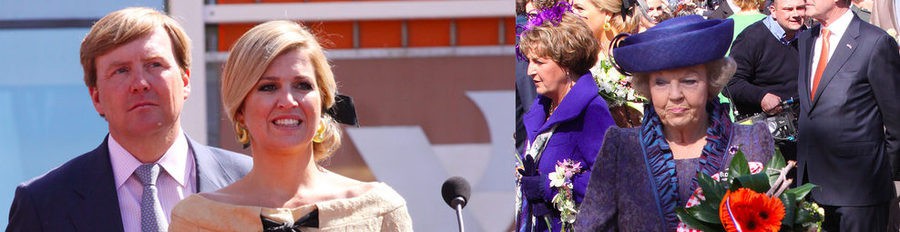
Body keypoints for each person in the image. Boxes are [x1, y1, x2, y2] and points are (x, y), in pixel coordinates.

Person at [5, 7, 252, 232]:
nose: (140, 84)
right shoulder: (43, 203)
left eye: (154, 65)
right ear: (96, 97)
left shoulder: (249, 183)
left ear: (185, 80)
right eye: (121, 71)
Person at [168, 20, 412, 231]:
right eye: (268, 87)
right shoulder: (196, 220)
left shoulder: (380, 209)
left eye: (302, 85)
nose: (288, 101)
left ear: (323, 101)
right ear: (240, 110)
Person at [575, 15, 775, 231]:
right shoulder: (621, 147)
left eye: (689, 81)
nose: (675, 95)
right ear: (647, 87)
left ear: (711, 81)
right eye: (660, 82)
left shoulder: (753, 140)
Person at [796, 0, 900, 230]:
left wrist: (883, 176)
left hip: (859, 191)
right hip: (811, 187)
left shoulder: (875, 42)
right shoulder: (806, 40)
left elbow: (896, 121)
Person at [516, 10, 616, 232]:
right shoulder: (543, 105)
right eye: (529, 61)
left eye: (540, 62)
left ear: (567, 62)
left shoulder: (591, 111)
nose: (530, 71)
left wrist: (551, 187)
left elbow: (610, 183)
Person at [724, 0, 806, 170]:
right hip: (767, 141)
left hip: (803, 136)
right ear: (773, 11)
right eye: (788, 9)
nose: (796, 14)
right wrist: (761, 96)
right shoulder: (751, 38)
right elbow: (730, 83)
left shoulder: (807, 35)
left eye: (800, 8)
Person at [572, 0, 644, 127]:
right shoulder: (578, 56)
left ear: (607, 14)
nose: (572, 14)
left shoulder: (632, 57)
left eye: (579, 8)